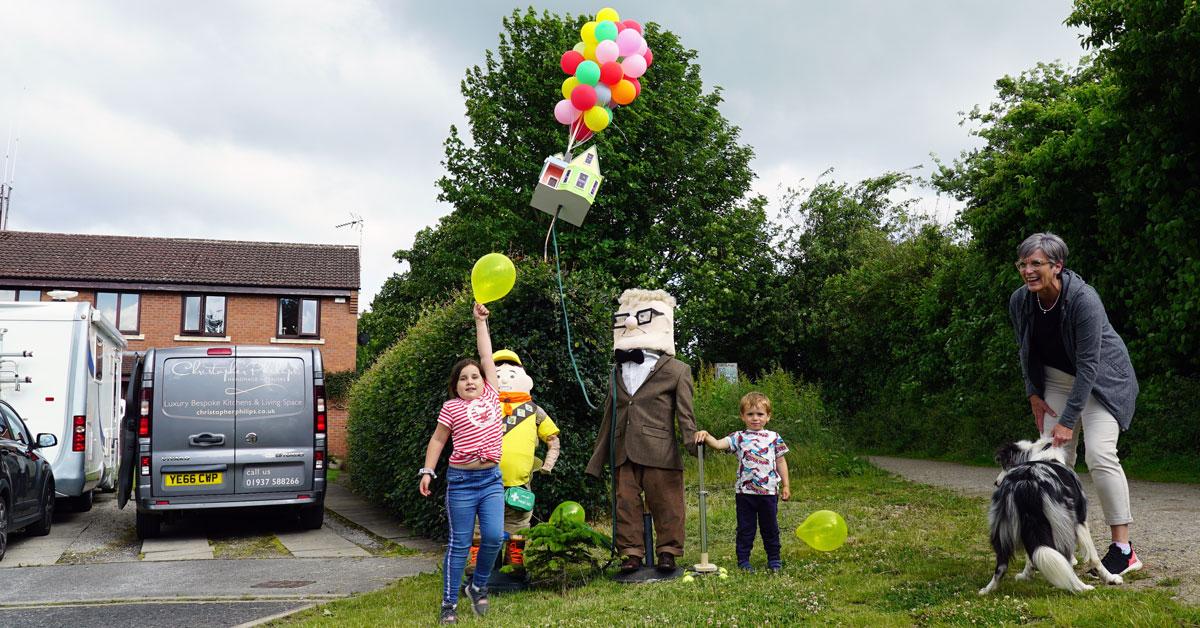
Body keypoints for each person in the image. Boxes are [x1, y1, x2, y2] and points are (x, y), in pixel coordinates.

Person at [1009, 232, 1141, 576]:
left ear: (1057, 266)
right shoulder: (1020, 301)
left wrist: (1068, 420)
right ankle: (1059, 546)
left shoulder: (1084, 300)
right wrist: (1033, 393)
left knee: (1099, 454)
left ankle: (1123, 550)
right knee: (1052, 460)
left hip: (1102, 382)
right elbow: (1025, 351)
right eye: (1023, 264)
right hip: (1055, 380)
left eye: (1036, 263)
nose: (1028, 270)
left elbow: (1089, 367)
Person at [586, 288, 697, 574]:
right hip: (623, 449)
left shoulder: (677, 370)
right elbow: (609, 416)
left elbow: (685, 412)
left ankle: (668, 551)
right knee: (625, 504)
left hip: (660, 450)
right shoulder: (616, 370)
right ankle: (631, 552)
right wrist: (597, 461)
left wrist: (692, 441)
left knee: (667, 502)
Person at [418, 302, 505, 624]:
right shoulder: (451, 408)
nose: (471, 380)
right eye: (463, 378)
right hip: (461, 483)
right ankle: (448, 605)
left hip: (491, 480)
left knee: (495, 536)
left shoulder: (492, 397)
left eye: (475, 377)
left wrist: (480, 322)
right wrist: (428, 470)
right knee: (460, 543)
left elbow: (486, 357)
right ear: (455, 386)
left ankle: (478, 585)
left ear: (484, 381)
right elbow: (438, 440)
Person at [695, 391, 790, 573]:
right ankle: (744, 561)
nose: (755, 418)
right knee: (746, 529)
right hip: (745, 494)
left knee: (770, 528)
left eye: (760, 414)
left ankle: (774, 559)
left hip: (769, 493)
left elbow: (780, 461)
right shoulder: (738, 437)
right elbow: (718, 444)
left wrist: (786, 485)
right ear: (743, 416)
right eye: (750, 414)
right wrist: (705, 435)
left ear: (768, 416)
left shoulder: (774, 437)